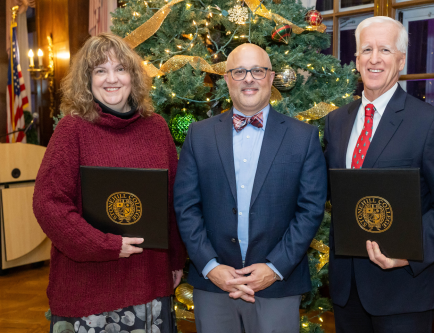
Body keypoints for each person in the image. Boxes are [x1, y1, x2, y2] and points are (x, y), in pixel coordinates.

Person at [323, 16, 434, 333]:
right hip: (346, 290)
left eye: (385, 50)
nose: (374, 59)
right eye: (366, 50)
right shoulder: (336, 122)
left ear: (401, 60)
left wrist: (408, 252)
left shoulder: (431, 122)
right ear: (357, 59)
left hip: (405, 291)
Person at [33, 33, 185, 333]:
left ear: (133, 76)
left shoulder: (156, 128)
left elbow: (172, 201)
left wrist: (177, 259)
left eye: (120, 69)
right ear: (87, 81)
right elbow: (48, 205)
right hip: (89, 288)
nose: (111, 79)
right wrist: (106, 245)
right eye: (100, 70)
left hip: (149, 282)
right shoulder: (72, 129)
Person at [173, 43, 327, 333]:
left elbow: (310, 210)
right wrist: (210, 266)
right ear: (227, 79)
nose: (248, 78)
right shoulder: (199, 135)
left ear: (270, 78)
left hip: (277, 285)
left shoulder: (303, 137)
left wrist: (274, 268)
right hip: (214, 285)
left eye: (257, 70)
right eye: (239, 71)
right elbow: (185, 207)